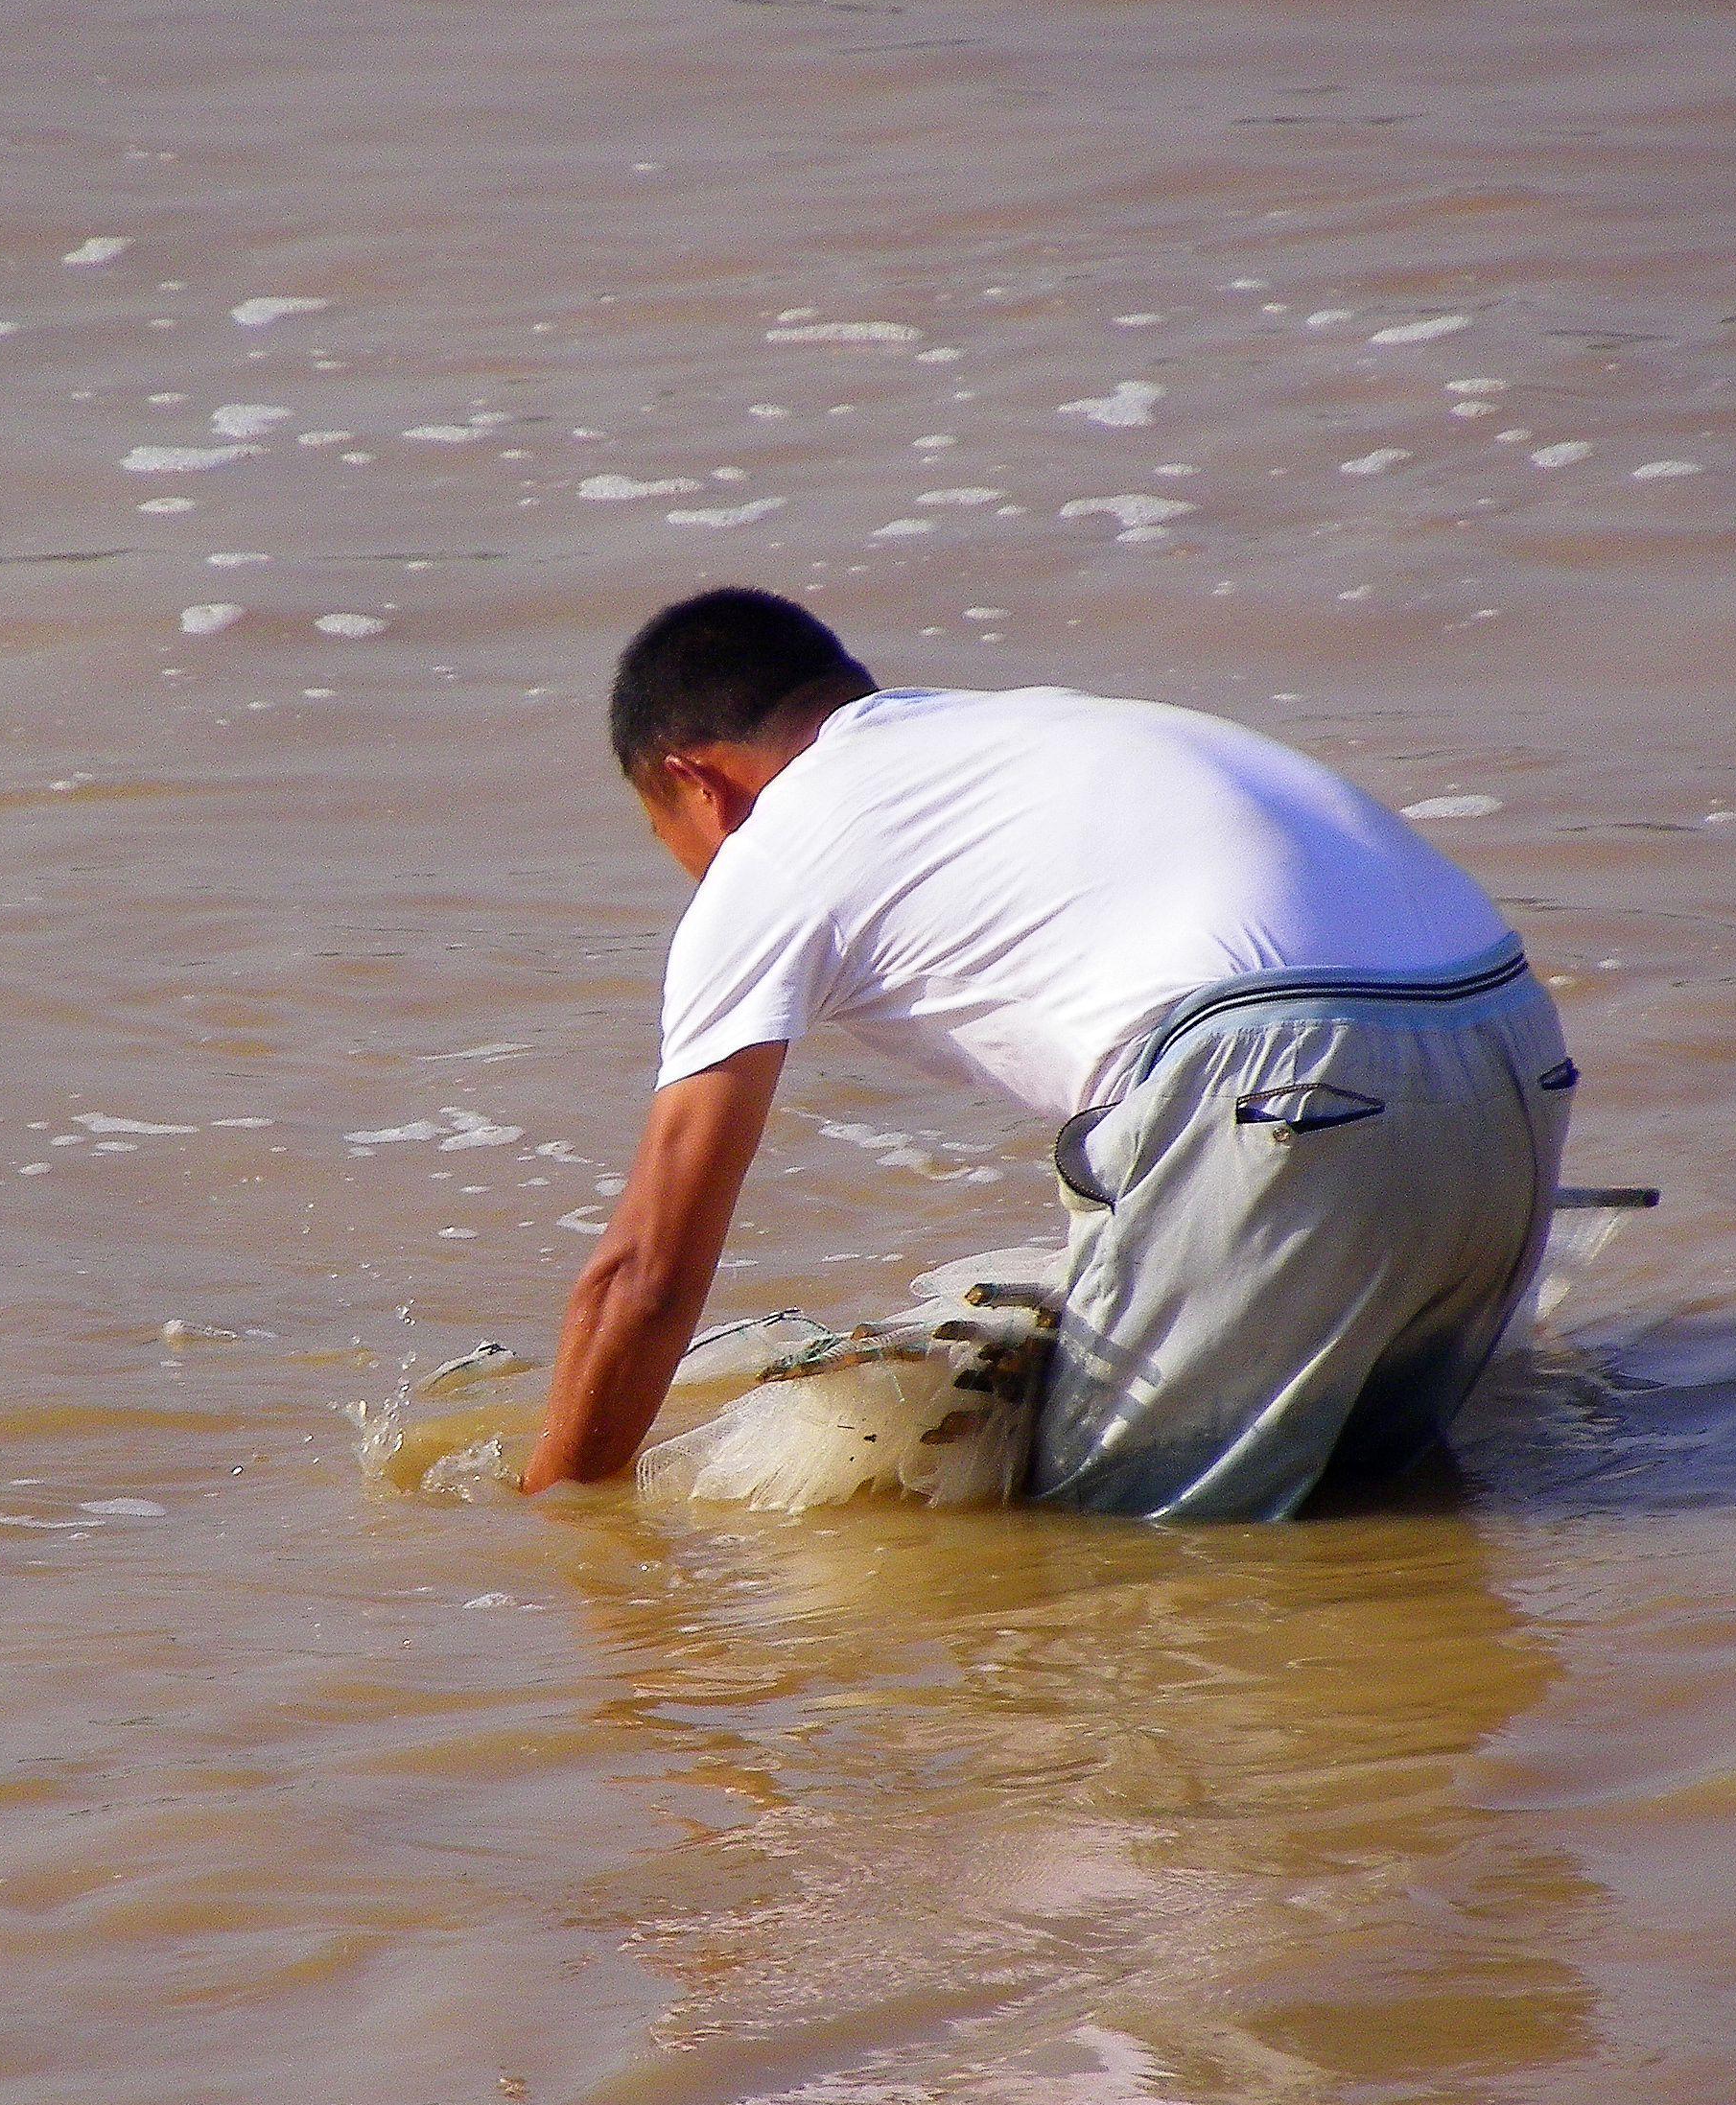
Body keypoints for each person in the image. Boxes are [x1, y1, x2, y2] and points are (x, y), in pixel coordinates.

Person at [514, 586, 1574, 1518]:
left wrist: (554, 1528)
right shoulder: (1022, 734)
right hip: (1515, 1056)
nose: (701, 876)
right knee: (1384, 1513)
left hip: (1288, 1080)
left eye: (677, 848)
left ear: (698, 784)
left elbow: (646, 1273)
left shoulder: (774, 843)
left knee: (1117, 1561)